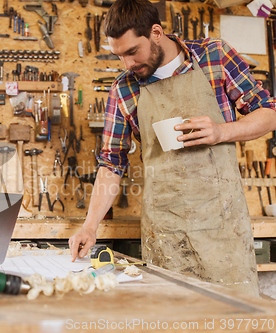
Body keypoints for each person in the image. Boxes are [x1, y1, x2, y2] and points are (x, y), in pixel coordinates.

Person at [69, 0, 276, 296]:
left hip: (224, 229)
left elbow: (269, 111)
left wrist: (221, 132)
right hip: (166, 234)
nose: (127, 64)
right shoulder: (123, 89)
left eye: (132, 52)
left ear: (156, 32)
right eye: (119, 56)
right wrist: (90, 226)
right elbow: (111, 164)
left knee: (234, 318)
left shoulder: (213, 56)